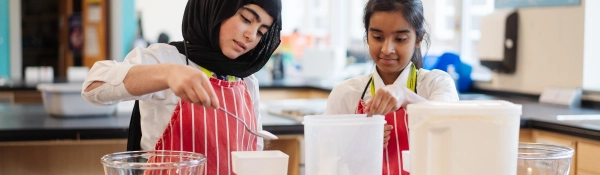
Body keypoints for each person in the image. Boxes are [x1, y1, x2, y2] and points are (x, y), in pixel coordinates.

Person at [81, 0, 281, 174]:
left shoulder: (247, 81)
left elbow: (254, 150)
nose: (251, 35)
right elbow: (92, 86)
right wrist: (166, 74)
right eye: (246, 19)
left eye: (261, 32)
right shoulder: (165, 58)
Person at [324, 0, 459, 174]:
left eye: (400, 39)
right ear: (367, 36)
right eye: (378, 37)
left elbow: (450, 125)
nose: (387, 49)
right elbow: (327, 162)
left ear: (418, 38)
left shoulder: (436, 84)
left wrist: (405, 95)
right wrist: (355, 148)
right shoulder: (346, 94)